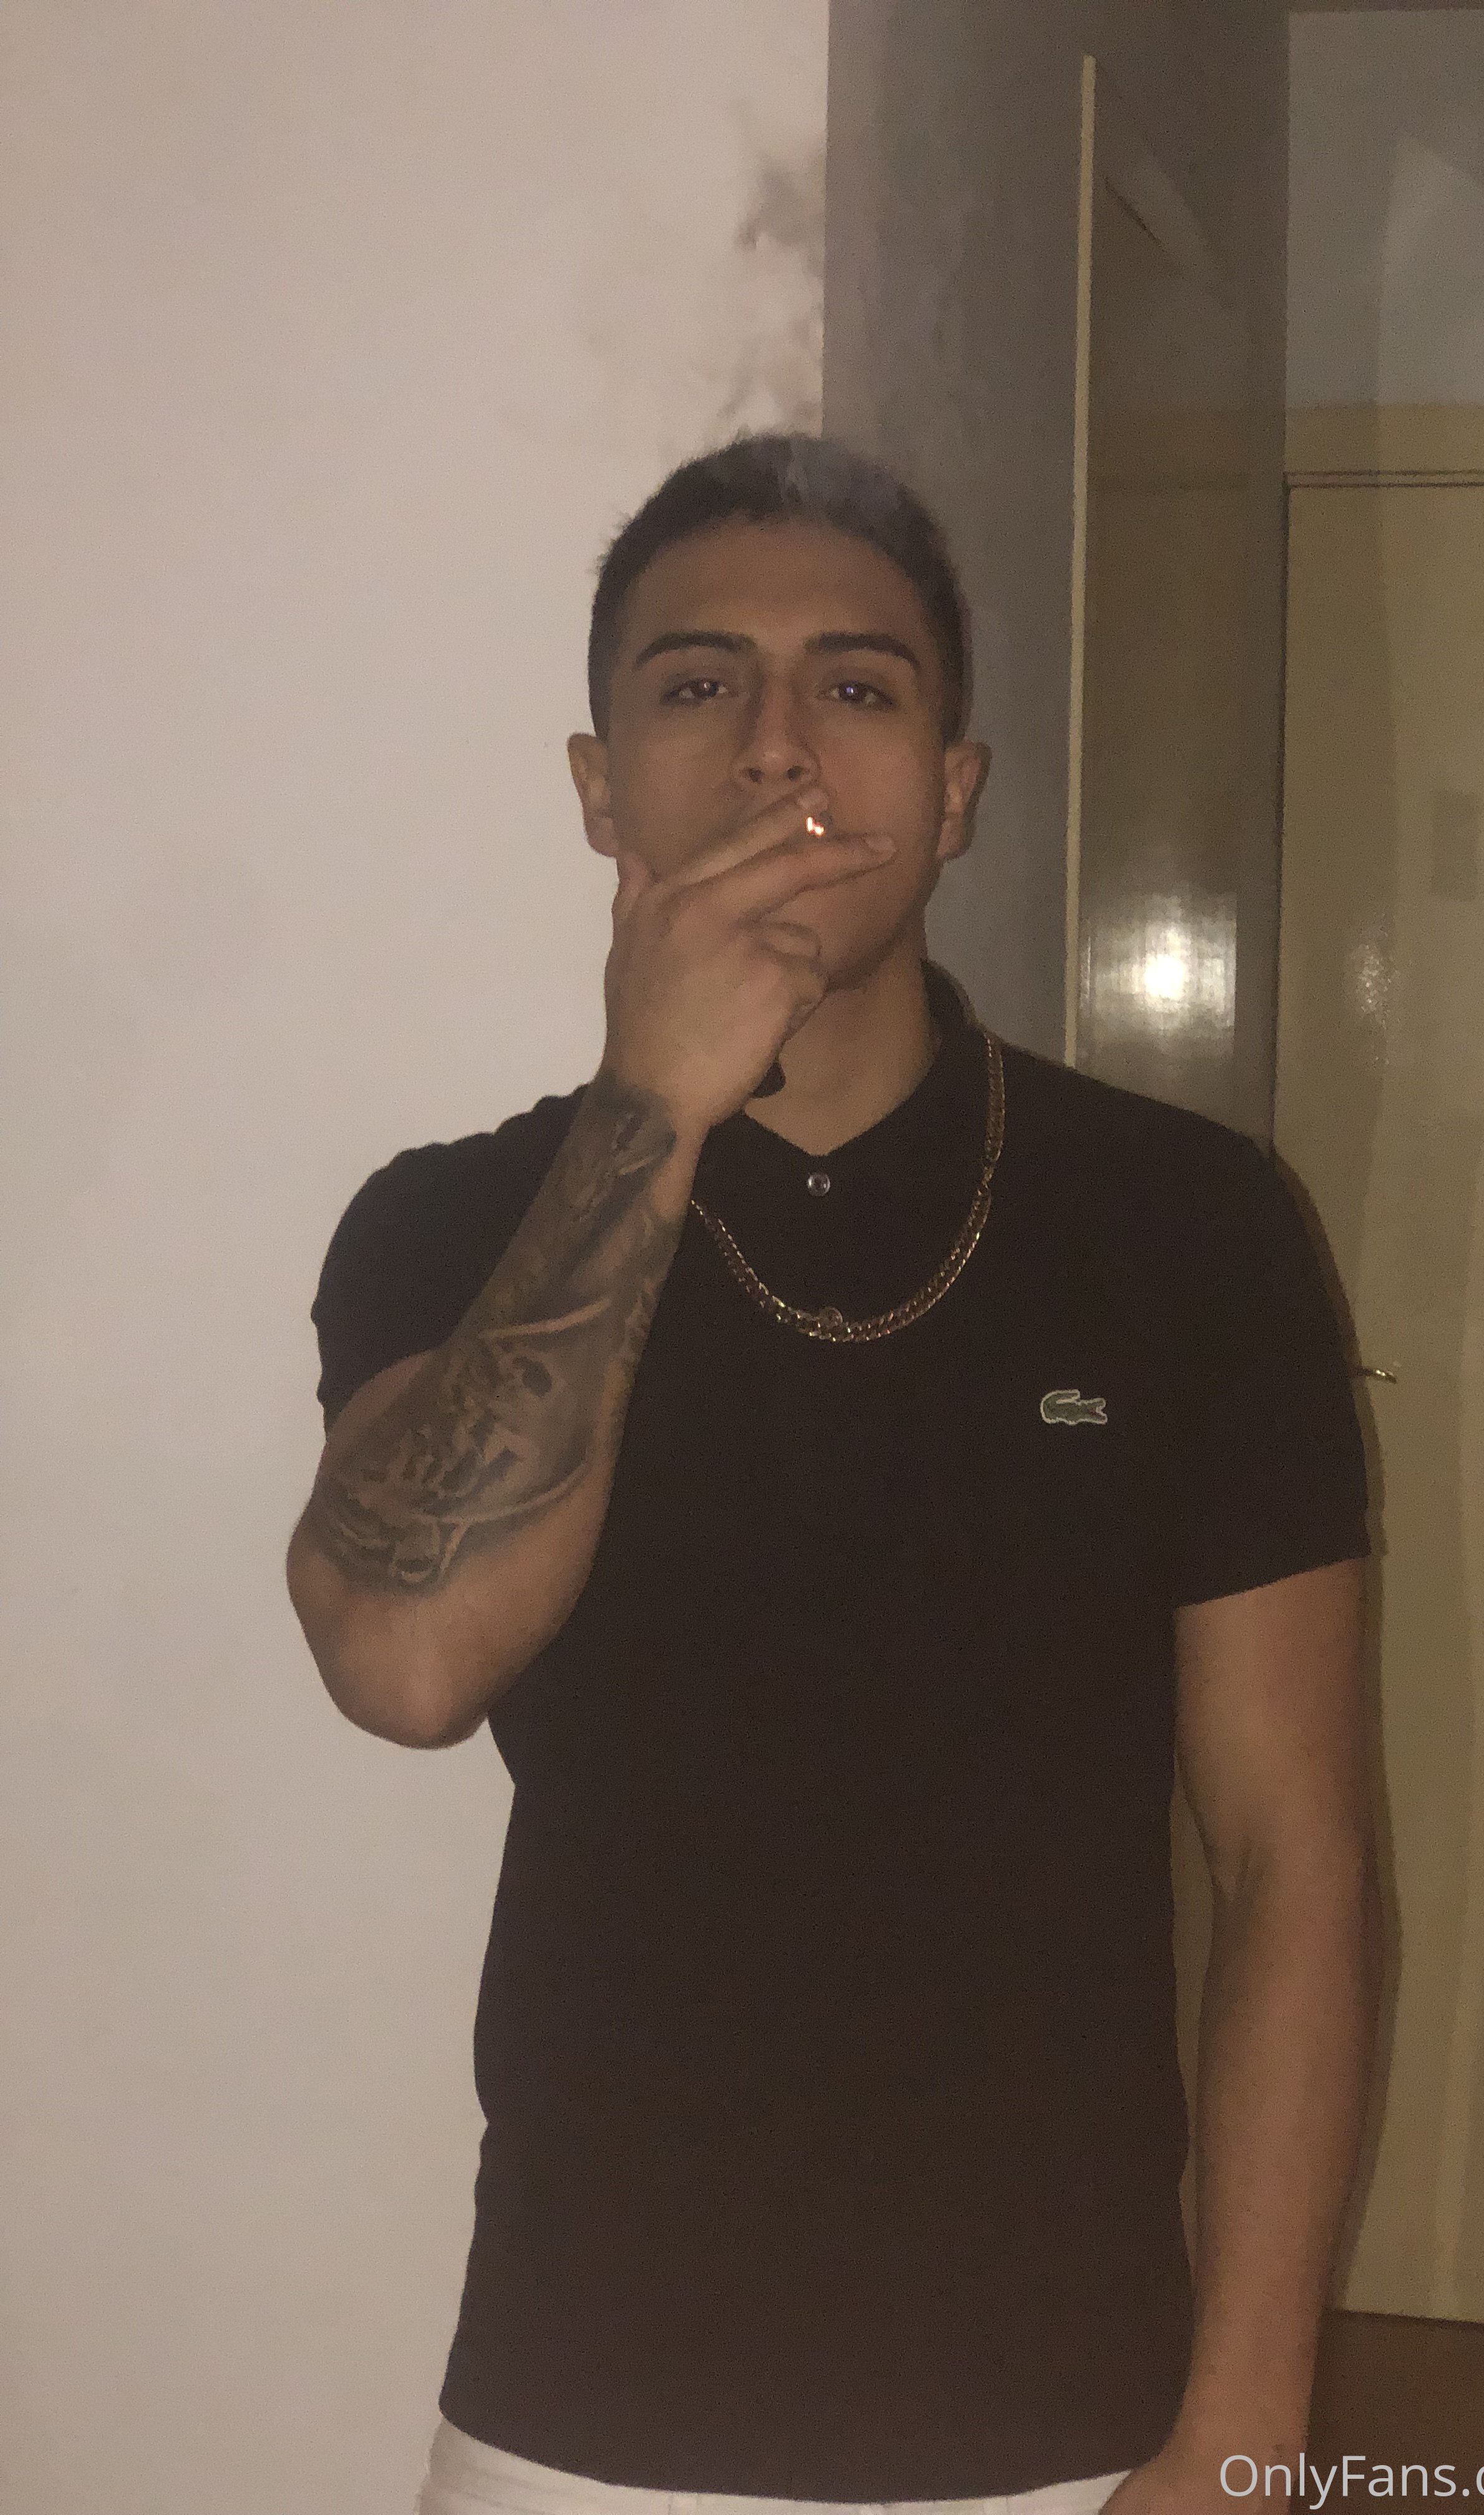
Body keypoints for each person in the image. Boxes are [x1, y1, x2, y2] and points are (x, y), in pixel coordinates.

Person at [286, 434, 1380, 2515]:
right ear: (600, 784)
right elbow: (407, 1664)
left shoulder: (1188, 1228)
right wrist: (651, 1109)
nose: (779, 742)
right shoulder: (456, 1224)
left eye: (856, 687)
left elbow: (1295, 1857)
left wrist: (1243, 2428)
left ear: (953, 792)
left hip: (1074, 2411)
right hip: (586, 2404)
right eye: (699, 683)